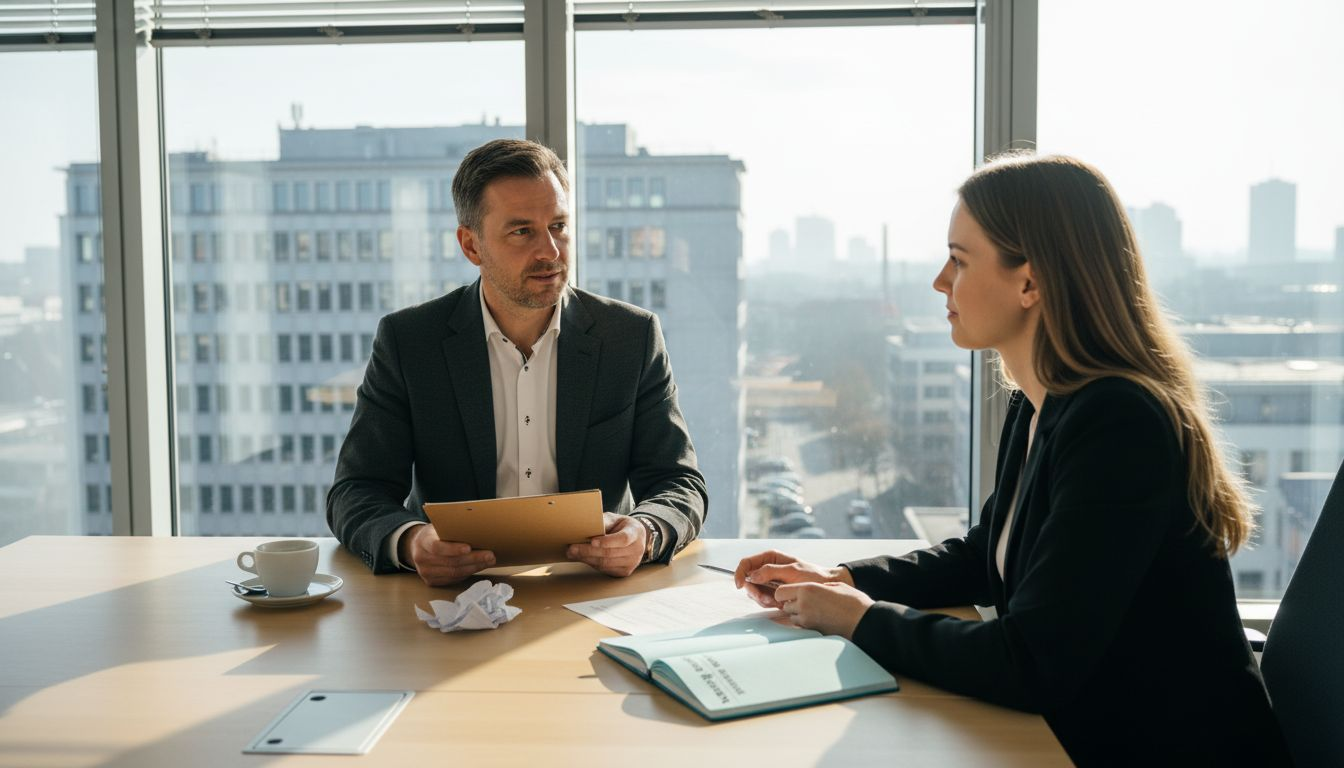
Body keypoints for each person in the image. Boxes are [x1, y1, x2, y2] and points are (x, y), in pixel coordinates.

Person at [734, 154, 1289, 764]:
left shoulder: (1120, 424)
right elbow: (983, 557)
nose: (940, 281)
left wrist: (860, 621)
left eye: (960, 260)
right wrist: (844, 581)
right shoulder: (1042, 404)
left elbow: (1031, 663)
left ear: (1031, 282)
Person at [328, 138, 707, 585]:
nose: (550, 250)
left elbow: (679, 483)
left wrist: (644, 533)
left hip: (590, 589)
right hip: (455, 598)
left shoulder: (631, 337)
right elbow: (356, 491)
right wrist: (411, 541)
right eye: (522, 231)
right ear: (471, 246)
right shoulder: (410, 342)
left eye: (560, 226)